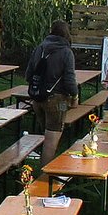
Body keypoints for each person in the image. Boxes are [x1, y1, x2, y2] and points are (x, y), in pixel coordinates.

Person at [24, 20, 78, 163]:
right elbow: (69, 80)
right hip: (58, 100)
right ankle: (45, 173)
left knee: (45, 133)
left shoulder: (39, 48)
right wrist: (75, 96)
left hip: (38, 98)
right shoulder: (66, 52)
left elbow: (28, 74)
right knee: (51, 140)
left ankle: (42, 167)